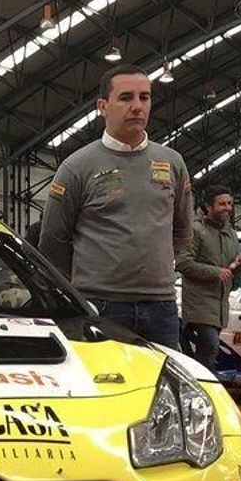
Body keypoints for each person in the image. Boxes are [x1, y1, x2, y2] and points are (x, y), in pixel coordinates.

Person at [38, 64, 192, 348]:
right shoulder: (76, 167)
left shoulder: (172, 162)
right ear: (102, 106)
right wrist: (92, 284)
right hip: (101, 307)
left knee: (166, 388)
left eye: (144, 97)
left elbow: (182, 230)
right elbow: (53, 240)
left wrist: (153, 269)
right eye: (126, 98)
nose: (137, 106)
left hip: (161, 308)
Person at [177, 185, 241, 369]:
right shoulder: (196, 231)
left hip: (220, 306)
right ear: (208, 206)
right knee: (210, 348)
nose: (228, 208)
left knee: (207, 351)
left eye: (230, 204)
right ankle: (205, 386)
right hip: (200, 305)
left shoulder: (231, 233)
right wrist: (216, 272)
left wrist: (238, 266)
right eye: (222, 204)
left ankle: (197, 383)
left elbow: (229, 272)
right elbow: (183, 263)